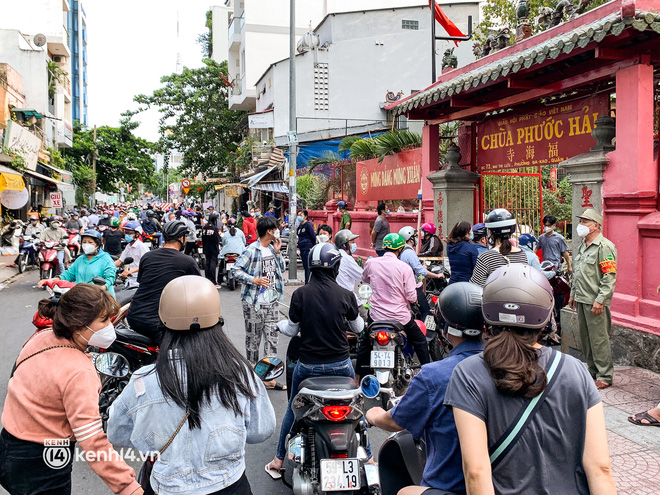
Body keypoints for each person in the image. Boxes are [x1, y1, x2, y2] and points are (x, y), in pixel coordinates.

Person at [444, 264, 615, 495]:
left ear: (487, 314)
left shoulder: (468, 373)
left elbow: (476, 472)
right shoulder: (576, 370)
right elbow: (600, 468)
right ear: (545, 317)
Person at [107, 276, 275, 495]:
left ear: (163, 323)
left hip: (167, 488)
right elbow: (260, 431)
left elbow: (117, 432)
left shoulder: (143, 381)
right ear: (218, 320)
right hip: (230, 486)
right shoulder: (240, 373)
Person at [0, 283, 143, 495]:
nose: (109, 326)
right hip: (44, 465)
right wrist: (128, 487)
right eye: (103, 320)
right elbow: (92, 441)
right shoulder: (79, 372)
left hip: (8, 447)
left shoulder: (40, 338)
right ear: (78, 325)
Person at [366, 282, 485, 495]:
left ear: (444, 328)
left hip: (448, 486)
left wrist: (374, 415)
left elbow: (394, 421)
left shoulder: (434, 375)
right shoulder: (512, 368)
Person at [266, 242, 365, 476]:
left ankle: (279, 459)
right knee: (355, 407)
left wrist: (279, 325)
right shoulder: (346, 295)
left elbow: (291, 330)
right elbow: (359, 327)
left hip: (307, 365)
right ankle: (368, 457)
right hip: (341, 364)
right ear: (336, 267)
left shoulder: (300, 294)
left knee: (293, 407)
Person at [358, 233, 430, 378]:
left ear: (384, 247)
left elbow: (365, 281)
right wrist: (414, 301)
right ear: (400, 249)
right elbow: (411, 296)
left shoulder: (371, 263)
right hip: (400, 318)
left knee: (365, 344)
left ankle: (358, 377)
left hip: (376, 317)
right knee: (420, 340)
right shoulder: (404, 268)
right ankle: (427, 374)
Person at [126, 221, 201, 342]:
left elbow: (143, 282)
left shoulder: (147, 257)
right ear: (181, 238)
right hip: (159, 323)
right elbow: (197, 293)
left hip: (134, 317)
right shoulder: (187, 261)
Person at [568, 208, 617, 390]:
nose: (581, 225)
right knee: (586, 339)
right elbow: (577, 273)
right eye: (580, 221)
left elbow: (609, 277)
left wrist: (601, 300)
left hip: (595, 301)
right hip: (581, 299)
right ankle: (593, 371)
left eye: (585, 222)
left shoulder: (605, 247)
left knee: (599, 339)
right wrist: (573, 294)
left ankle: (605, 375)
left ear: (596, 225)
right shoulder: (582, 245)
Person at [232, 217, 285, 385]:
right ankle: (253, 376)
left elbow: (281, 269)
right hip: (253, 303)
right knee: (253, 340)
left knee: (272, 339)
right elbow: (235, 270)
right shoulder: (251, 250)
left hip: (272, 302)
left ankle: (268, 376)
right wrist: (254, 280)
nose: (278, 231)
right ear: (269, 231)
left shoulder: (272, 248)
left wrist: (278, 252)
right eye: (276, 228)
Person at [39, 230, 116, 296]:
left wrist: (102, 288)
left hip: (102, 298)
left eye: (90, 242)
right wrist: (50, 280)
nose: (86, 244)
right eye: (84, 242)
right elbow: (68, 275)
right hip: (82, 296)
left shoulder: (106, 259)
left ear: (98, 244)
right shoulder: (80, 259)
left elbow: (110, 278)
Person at [470, 209, 528, 287]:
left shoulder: (485, 257)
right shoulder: (522, 254)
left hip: (494, 298)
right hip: (519, 298)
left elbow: (476, 285)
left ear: (490, 232)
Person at [398, 226, 444, 320]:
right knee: (426, 312)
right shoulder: (409, 252)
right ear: (410, 238)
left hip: (404, 286)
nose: (416, 238)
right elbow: (421, 272)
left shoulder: (403, 251)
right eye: (415, 236)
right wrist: (437, 276)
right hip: (413, 287)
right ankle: (425, 333)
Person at [334, 229, 366, 317]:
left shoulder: (335, 255)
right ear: (344, 245)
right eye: (352, 242)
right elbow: (362, 276)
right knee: (365, 316)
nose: (354, 244)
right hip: (347, 298)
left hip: (334, 296)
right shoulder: (347, 258)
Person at [115, 221, 149, 288]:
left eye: (130, 233)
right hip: (130, 280)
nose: (127, 235)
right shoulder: (128, 246)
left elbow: (146, 264)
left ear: (137, 234)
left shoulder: (142, 247)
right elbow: (120, 261)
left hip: (139, 281)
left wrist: (130, 272)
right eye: (126, 233)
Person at [202, 212, 222, 286]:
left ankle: (207, 278)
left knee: (207, 263)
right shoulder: (214, 228)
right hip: (213, 248)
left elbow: (203, 237)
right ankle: (213, 280)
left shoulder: (204, 228)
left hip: (206, 247)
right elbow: (217, 239)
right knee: (213, 263)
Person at [296, 210, 316, 283]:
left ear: (305, 216)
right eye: (298, 215)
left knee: (307, 266)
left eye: (301, 215)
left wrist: (312, 245)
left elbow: (313, 236)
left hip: (307, 247)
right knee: (305, 265)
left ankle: (307, 282)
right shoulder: (300, 226)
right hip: (301, 247)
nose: (299, 216)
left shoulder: (308, 225)